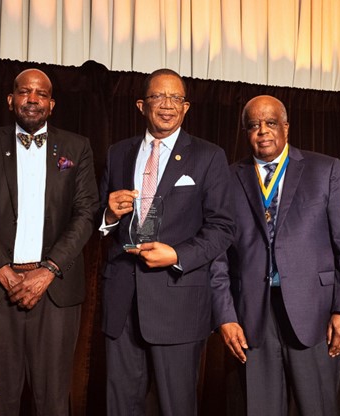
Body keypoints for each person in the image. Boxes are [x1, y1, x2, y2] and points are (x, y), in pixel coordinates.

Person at [0, 68, 99, 415]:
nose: (32, 99)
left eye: (41, 94)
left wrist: (48, 270)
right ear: (11, 100)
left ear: (52, 104)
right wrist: (2, 271)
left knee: (52, 402)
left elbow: (86, 213)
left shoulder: (77, 148)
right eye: (24, 92)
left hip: (54, 292)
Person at [211, 95, 340, 416]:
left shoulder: (325, 170)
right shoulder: (227, 177)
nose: (262, 131)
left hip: (317, 316)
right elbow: (219, 257)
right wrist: (225, 316)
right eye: (253, 125)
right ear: (245, 132)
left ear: (286, 128)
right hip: (254, 317)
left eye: (270, 123)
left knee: (318, 409)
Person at [99, 68, 234, 416]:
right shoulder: (118, 153)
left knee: (176, 408)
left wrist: (177, 254)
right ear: (142, 105)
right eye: (159, 96)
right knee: (120, 408)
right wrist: (109, 216)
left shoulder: (208, 156)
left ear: (186, 107)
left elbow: (223, 227)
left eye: (176, 97)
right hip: (122, 302)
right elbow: (100, 221)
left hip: (178, 303)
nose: (167, 105)